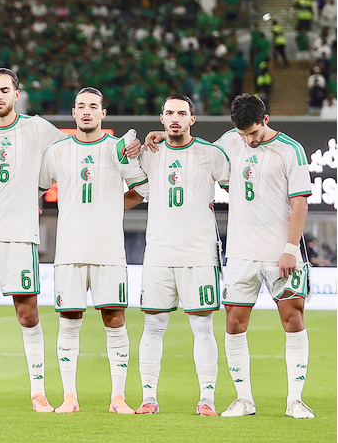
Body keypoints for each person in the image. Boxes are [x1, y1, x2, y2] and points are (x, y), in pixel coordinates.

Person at [0, 68, 66, 412]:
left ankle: (38, 393)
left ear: (17, 94)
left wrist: (34, 191)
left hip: (19, 235)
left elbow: (72, 151)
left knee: (28, 314)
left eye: (5, 90)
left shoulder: (38, 128)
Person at [38, 87, 146, 414]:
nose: (87, 111)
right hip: (69, 251)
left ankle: (118, 398)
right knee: (69, 321)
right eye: (81, 106)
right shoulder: (57, 151)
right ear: (73, 113)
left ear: (103, 113)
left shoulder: (117, 149)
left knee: (115, 320)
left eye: (93, 106)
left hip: (108, 251)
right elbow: (37, 188)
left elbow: (142, 189)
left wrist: (111, 208)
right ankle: (69, 397)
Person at [126, 95, 228, 416]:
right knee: (153, 327)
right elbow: (128, 174)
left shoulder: (211, 154)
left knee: (203, 328)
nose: (175, 118)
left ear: (192, 120)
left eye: (182, 113)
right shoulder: (150, 153)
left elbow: (238, 186)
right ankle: (148, 397)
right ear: (161, 118)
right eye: (169, 113)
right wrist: (135, 142)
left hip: (200, 255)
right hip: (158, 254)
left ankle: (207, 399)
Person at [215, 94, 314, 419]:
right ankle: (243, 399)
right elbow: (198, 156)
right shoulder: (230, 141)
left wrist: (290, 248)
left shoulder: (291, 149)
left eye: (254, 133)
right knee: (234, 322)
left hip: (279, 253)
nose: (249, 140)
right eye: (243, 134)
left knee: (293, 319)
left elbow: (299, 203)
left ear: (266, 120)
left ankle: (295, 400)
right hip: (241, 252)